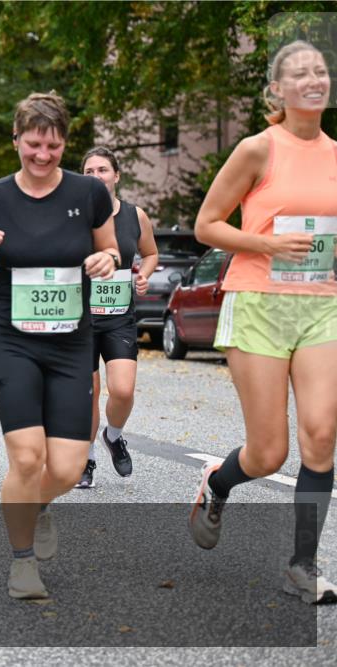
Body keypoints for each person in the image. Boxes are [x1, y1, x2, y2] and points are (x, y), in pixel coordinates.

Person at [188, 40, 337, 604]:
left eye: (320, 70)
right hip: (257, 302)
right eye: (299, 73)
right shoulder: (258, 149)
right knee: (268, 452)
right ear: (277, 91)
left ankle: (303, 565)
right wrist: (266, 242)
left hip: (322, 305)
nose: (313, 79)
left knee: (321, 437)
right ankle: (217, 483)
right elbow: (207, 225)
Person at [0, 92, 118, 598]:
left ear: (64, 143)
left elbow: (110, 247)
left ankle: (36, 504)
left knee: (68, 468)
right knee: (27, 459)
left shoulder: (89, 192)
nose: (43, 155)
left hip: (73, 343)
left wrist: (108, 261)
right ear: (16, 141)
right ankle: (22, 561)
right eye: (33, 145)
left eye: (52, 146)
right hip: (12, 341)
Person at [75, 147, 159, 488]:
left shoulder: (135, 216)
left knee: (122, 391)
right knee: (87, 393)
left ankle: (114, 435)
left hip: (118, 316)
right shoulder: (73, 216)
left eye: (103, 170)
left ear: (116, 175)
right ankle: (87, 459)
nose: (97, 176)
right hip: (80, 318)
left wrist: (144, 275)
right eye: (90, 171)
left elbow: (150, 253)